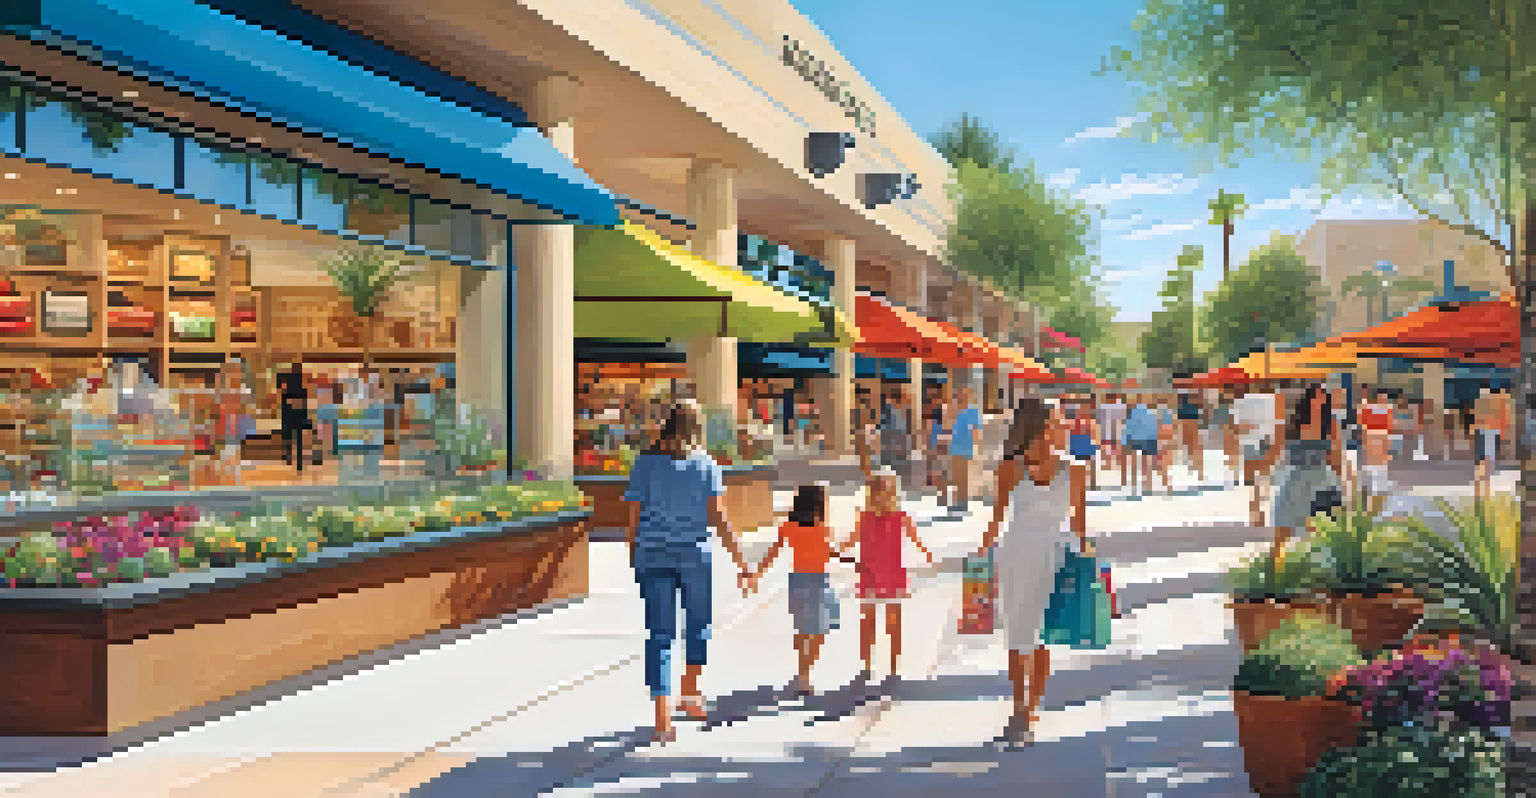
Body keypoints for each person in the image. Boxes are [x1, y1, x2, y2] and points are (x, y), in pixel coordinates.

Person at [622, 401, 752, 743]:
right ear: (697, 428)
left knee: (660, 634)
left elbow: (633, 516)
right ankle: (690, 695)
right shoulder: (706, 465)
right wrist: (742, 562)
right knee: (697, 625)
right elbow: (719, 519)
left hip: (652, 553)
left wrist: (632, 553)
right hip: (695, 554)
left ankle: (663, 720)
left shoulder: (644, 464)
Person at [975, 397, 1090, 745]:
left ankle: (1030, 707)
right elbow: (996, 519)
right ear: (1039, 425)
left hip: (1054, 552)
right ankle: (1021, 706)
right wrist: (979, 560)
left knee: (1043, 635)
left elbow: (1080, 523)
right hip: (1019, 553)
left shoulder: (1076, 468)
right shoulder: (1010, 467)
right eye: (1057, 420)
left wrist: (1087, 563)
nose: (1064, 425)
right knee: (1019, 631)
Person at [838, 469, 933, 684]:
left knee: (894, 623)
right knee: (868, 623)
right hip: (869, 575)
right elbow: (851, 540)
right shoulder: (864, 517)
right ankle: (866, 666)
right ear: (871, 493)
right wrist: (833, 546)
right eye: (878, 490)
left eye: (887, 490)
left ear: (893, 492)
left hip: (892, 575)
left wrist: (928, 556)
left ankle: (893, 668)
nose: (882, 494)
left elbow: (917, 540)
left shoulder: (901, 516)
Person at [750, 483, 840, 696]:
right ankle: (804, 675)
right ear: (818, 504)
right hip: (818, 581)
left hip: (799, 581)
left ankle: (803, 675)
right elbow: (828, 554)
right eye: (825, 500)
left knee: (804, 629)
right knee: (820, 629)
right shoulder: (824, 528)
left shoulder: (789, 526)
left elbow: (771, 554)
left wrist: (756, 574)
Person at [1257, 384, 1345, 558]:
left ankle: (1316, 578)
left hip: (1322, 482)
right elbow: (1274, 453)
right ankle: (1273, 576)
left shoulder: (1331, 425)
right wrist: (1259, 486)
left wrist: (1341, 486)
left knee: (1320, 535)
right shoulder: (1293, 423)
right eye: (1315, 396)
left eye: (1322, 397)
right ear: (1307, 400)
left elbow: (1335, 458)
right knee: (1281, 529)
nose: (1319, 401)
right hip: (1295, 479)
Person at [946, 387, 984, 511]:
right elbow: (949, 426)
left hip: (966, 448)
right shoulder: (955, 410)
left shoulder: (973, 412)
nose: (963, 398)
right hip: (954, 448)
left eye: (966, 395)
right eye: (961, 395)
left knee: (964, 477)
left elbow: (977, 431)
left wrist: (976, 447)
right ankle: (957, 502)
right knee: (956, 477)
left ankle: (963, 503)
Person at [278, 362, 313, 473]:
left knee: (288, 439)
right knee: (298, 441)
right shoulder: (302, 393)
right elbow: (304, 409)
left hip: (289, 419)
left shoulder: (286, 395)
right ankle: (298, 464)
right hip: (297, 419)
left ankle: (288, 457)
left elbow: (284, 411)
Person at [1122, 397, 1160, 496]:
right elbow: (1153, 425)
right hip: (1148, 437)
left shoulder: (1131, 411)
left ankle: (1134, 485)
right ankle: (1147, 485)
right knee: (1146, 462)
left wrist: (1125, 439)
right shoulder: (1149, 411)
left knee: (1135, 462)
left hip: (1135, 437)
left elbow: (1128, 426)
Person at [1097, 392, 1127, 488]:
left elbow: (1101, 422)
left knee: (1106, 452)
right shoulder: (1121, 407)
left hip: (1108, 433)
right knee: (1122, 455)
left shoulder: (1104, 407)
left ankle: (1108, 466)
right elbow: (1123, 421)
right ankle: (1123, 477)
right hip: (1118, 434)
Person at [1176, 389, 1205, 483]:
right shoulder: (1187, 392)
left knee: (1192, 443)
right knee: (1190, 442)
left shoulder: (1193, 391)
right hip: (1186, 417)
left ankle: (1197, 467)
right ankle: (1194, 464)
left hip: (1191, 417)